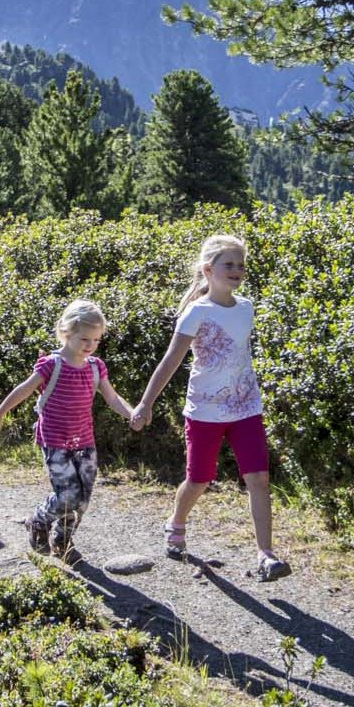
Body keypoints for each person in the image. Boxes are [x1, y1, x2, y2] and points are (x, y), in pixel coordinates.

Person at [132, 234, 291, 581]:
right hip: (204, 411)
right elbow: (171, 361)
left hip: (246, 407)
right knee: (199, 479)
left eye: (241, 265)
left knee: (259, 479)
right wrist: (146, 403)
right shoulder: (197, 311)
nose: (236, 270)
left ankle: (266, 555)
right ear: (208, 270)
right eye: (228, 264)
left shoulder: (246, 307)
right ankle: (176, 522)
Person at [0, 299, 134, 560]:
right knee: (67, 495)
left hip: (84, 441)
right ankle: (38, 520)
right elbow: (25, 389)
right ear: (67, 333)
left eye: (96, 340)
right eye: (84, 339)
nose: (90, 346)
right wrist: (0, 414)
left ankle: (63, 541)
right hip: (54, 440)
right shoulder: (51, 364)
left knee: (83, 499)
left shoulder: (95, 367)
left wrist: (132, 413)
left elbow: (112, 397)